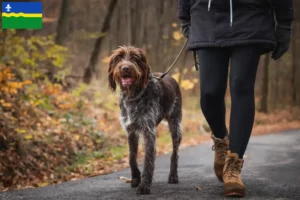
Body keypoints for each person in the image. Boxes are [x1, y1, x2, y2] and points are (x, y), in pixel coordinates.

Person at [177, 0, 294, 197]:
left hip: (251, 16)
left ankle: (234, 164)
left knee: (241, 87)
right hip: (207, 17)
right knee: (210, 92)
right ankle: (222, 140)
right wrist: (184, 16)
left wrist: (284, 23)